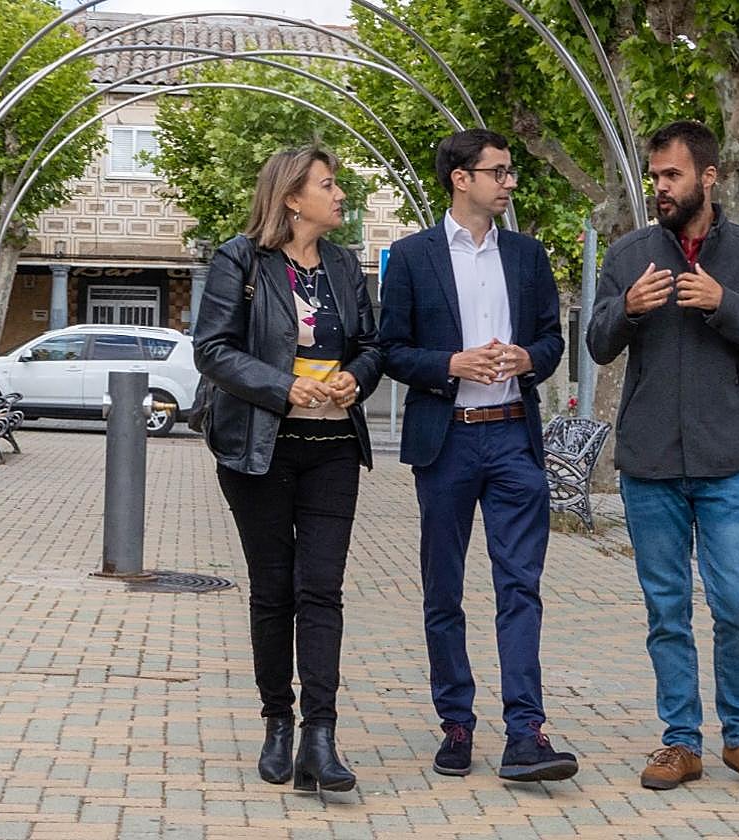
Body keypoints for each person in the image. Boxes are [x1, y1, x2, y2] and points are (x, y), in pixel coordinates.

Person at [586, 121, 739, 796]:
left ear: (708, 177)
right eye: (654, 177)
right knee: (666, 609)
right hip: (649, 465)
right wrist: (629, 308)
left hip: (727, 461)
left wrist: (721, 302)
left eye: (672, 176)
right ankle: (680, 741)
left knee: (737, 604)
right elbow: (596, 343)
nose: (660, 188)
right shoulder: (629, 254)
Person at [379, 128, 575, 783]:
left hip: (514, 438)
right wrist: (451, 363)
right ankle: (456, 725)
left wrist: (527, 359)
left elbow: (552, 340)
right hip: (447, 440)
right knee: (444, 589)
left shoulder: (527, 255)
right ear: (461, 178)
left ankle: (527, 733)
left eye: (510, 171)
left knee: (520, 587)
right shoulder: (410, 257)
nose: (509, 182)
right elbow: (391, 349)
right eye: (498, 171)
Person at [193, 146, 382, 793]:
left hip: (332, 449)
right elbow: (211, 350)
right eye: (328, 186)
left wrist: (356, 378)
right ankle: (277, 720)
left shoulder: (343, 264)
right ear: (292, 198)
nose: (339, 196)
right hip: (259, 450)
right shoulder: (239, 259)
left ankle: (319, 738)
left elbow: (371, 344)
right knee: (274, 590)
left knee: (320, 588)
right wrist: (283, 387)